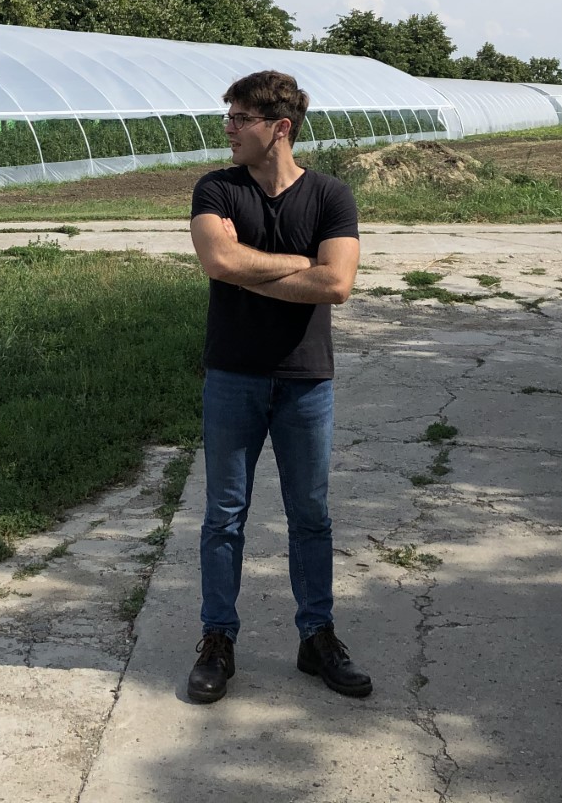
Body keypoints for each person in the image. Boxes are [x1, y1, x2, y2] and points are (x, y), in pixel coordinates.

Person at [185, 69, 370, 703]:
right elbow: (219, 261)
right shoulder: (215, 189)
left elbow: (337, 285)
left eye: (241, 119)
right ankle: (217, 639)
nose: (228, 129)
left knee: (310, 515)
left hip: (305, 380)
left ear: (279, 129)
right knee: (224, 517)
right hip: (232, 375)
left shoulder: (330, 196)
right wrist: (301, 264)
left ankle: (317, 638)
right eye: (229, 117)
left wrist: (254, 270)